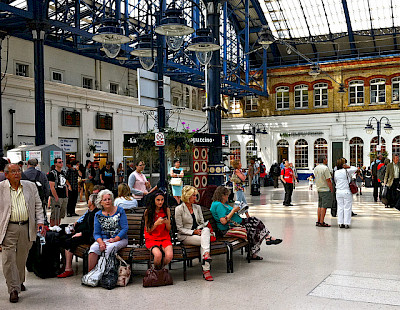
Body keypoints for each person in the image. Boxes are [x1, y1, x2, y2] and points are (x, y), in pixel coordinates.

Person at [0, 163, 45, 303]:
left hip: (26, 227)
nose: (17, 174)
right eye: (13, 171)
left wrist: (41, 221)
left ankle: (19, 281)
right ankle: (13, 289)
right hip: (8, 228)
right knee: (8, 259)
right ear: (6, 174)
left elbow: (38, 204)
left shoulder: (30, 186)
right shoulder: (1, 188)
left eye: (18, 171)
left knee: (21, 258)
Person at [210, 186, 282, 260]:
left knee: (254, 221)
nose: (228, 197)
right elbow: (223, 221)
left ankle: (266, 239)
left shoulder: (221, 204)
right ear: (222, 196)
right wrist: (233, 211)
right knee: (253, 228)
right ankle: (264, 242)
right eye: (227, 195)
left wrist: (238, 210)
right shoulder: (218, 205)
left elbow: (227, 215)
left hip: (237, 223)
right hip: (229, 228)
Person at [175, 186, 213, 281]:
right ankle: (206, 270)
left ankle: (206, 255)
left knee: (206, 231)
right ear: (187, 196)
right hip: (185, 236)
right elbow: (179, 229)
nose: (195, 198)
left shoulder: (197, 207)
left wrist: (200, 229)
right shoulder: (179, 209)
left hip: (199, 234)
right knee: (205, 242)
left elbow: (201, 222)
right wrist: (193, 232)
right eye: (194, 196)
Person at [57, 193, 99, 278]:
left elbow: (92, 230)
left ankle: (68, 269)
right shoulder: (89, 211)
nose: (88, 202)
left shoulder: (95, 213)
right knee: (61, 236)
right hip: (82, 232)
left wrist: (81, 233)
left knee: (69, 241)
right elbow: (83, 223)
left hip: (89, 236)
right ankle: (64, 264)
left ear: (92, 202)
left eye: (89, 200)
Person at [88, 189, 129, 271]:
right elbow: (96, 233)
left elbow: (125, 228)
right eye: (105, 200)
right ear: (101, 202)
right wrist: (101, 242)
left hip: (120, 239)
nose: (107, 201)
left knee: (109, 248)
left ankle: (104, 273)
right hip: (104, 239)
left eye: (109, 199)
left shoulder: (120, 211)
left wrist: (115, 239)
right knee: (93, 249)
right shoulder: (98, 215)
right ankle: (91, 274)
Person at [144, 191, 173, 269]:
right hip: (152, 238)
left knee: (169, 256)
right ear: (154, 200)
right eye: (158, 200)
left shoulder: (166, 210)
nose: (160, 202)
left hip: (164, 237)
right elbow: (148, 230)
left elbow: (169, 229)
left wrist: (167, 223)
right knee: (158, 255)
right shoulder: (148, 212)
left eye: (162, 200)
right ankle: (158, 272)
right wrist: (156, 224)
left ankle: (158, 270)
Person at [21, 158, 50, 223]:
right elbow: (47, 188)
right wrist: (45, 198)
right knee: (41, 215)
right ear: (36, 164)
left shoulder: (23, 174)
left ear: (27, 164)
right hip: (40, 198)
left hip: (26, 199)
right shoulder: (42, 174)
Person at [334, 158, 357, 229]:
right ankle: (346, 223)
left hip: (338, 191)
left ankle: (340, 223)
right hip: (346, 191)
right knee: (347, 207)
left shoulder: (336, 172)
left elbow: (335, 181)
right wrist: (348, 167)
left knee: (340, 207)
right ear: (344, 165)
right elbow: (355, 168)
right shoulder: (347, 171)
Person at [48, 158, 70, 226]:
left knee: (60, 214)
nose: (61, 163)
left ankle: (58, 226)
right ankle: (52, 227)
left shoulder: (63, 172)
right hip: (57, 196)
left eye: (62, 162)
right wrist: (56, 197)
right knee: (55, 214)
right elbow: (52, 187)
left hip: (63, 196)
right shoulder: (52, 173)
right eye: (59, 162)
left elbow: (65, 184)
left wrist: (66, 195)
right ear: (55, 164)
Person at [313, 156, 334, 227]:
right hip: (325, 189)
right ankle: (322, 221)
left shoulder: (316, 168)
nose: (327, 160)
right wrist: (331, 189)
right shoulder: (325, 168)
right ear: (324, 160)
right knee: (324, 206)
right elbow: (328, 180)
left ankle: (318, 220)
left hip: (319, 188)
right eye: (326, 159)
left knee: (320, 205)